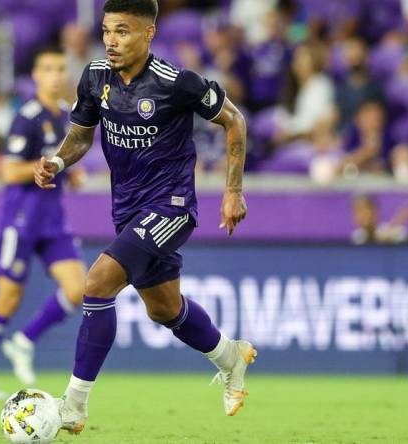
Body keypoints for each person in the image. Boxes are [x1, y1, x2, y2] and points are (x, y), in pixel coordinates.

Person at [33, 0, 253, 434]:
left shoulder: (177, 82)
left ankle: (74, 406)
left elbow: (235, 121)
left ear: (148, 34)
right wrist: (57, 163)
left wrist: (233, 190)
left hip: (171, 206)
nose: (111, 41)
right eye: (107, 31)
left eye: (123, 31)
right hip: (129, 210)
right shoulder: (96, 76)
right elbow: (80, 136)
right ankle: (232, 356)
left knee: (97, 282)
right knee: (164, 309)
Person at [0, 46, 88, 400]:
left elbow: (63, 161)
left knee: (79, 287)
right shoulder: (27, 117)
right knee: (8, 295)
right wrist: (40, 166)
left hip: (53, 220)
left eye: (61, 68)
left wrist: (68, 174)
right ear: (35, 75)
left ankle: (24, 341)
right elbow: (9, 170)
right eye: (48, 68)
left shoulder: (67, 116)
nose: (55, 75)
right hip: (22, 219)